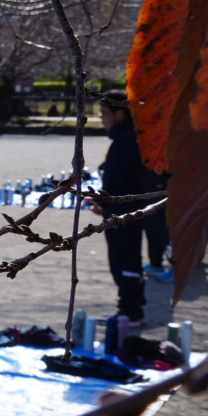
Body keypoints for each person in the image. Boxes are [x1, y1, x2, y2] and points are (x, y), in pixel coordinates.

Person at [93, 92, 149, 327]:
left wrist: (102, 202)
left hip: (123, 211)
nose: (102, 118)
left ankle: (130, 311)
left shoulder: (125, 140)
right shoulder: (132, 136)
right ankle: (133, 308)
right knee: (130, 259)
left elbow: (115, 178)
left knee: (123, 261)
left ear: (120, 114)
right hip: (129, 208)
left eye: (104, 113)